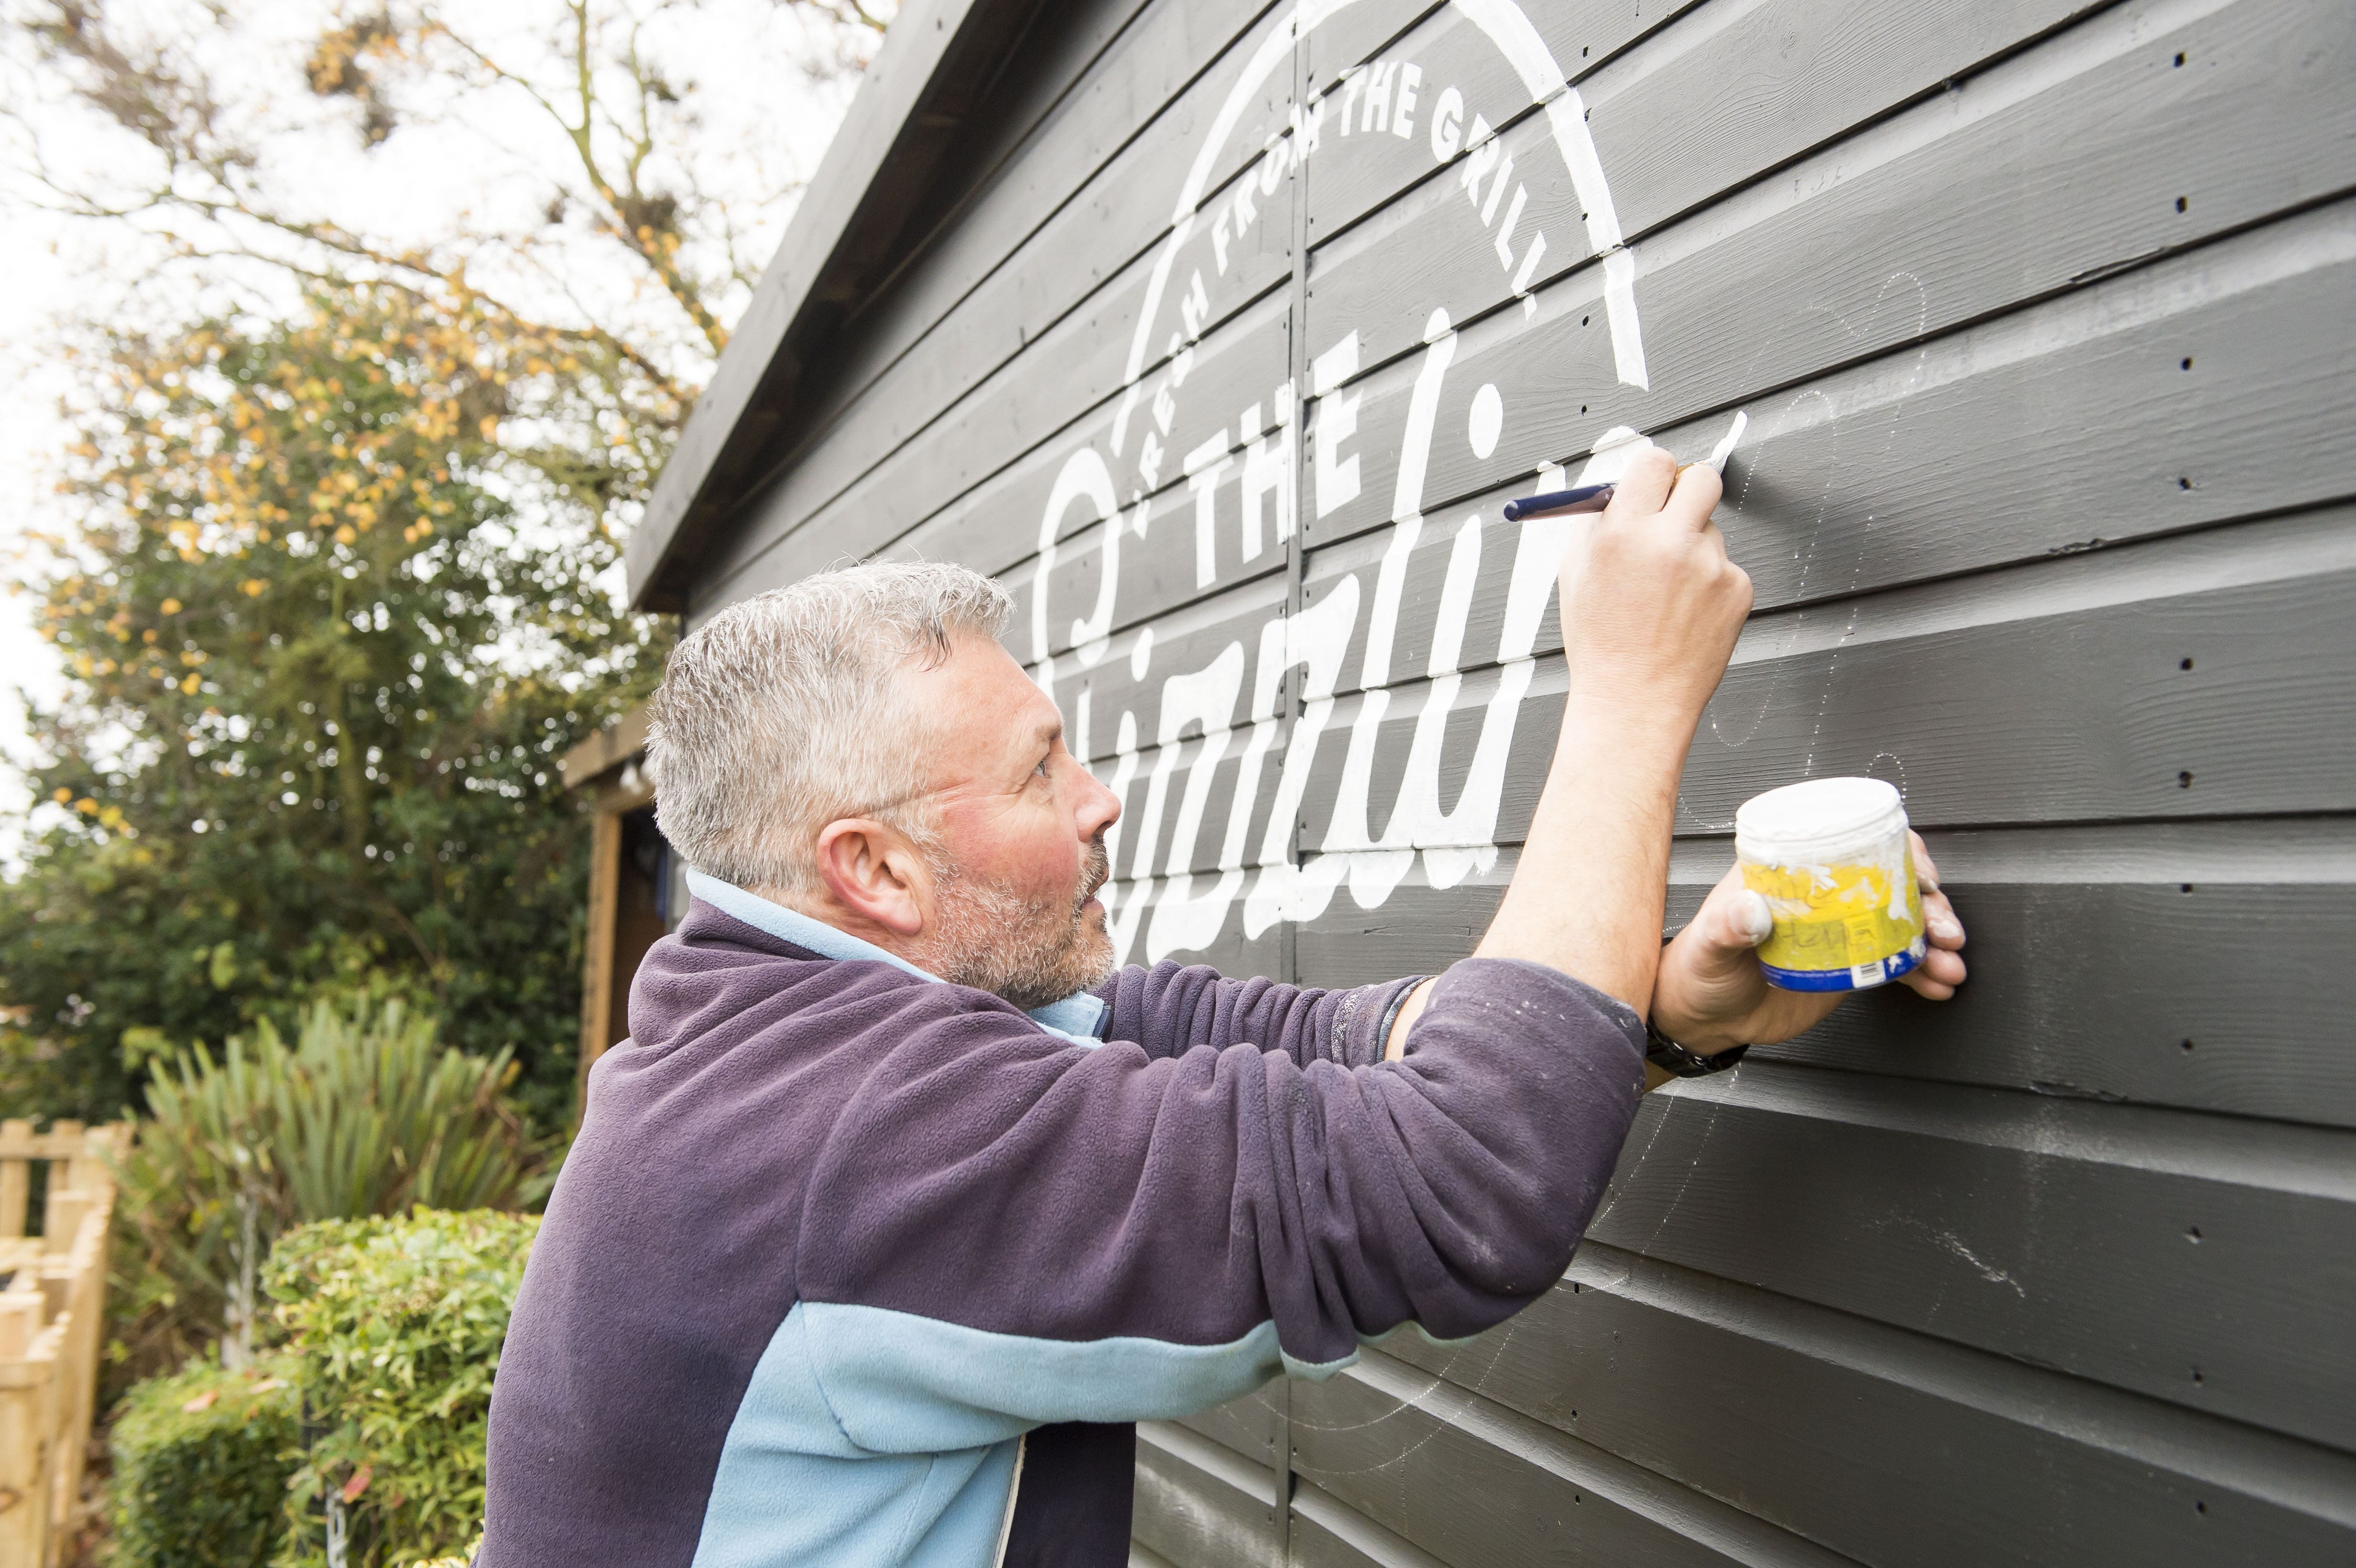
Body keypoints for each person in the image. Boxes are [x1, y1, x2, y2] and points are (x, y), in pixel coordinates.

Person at [478, 446, 1966, 1567]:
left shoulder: (795, 1025)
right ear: (871, 870)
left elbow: (1343, 1059)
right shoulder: (845, 1131)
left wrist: (1666, 1011)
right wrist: (1633, 695)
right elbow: (1457, 1177)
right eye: (1038, 772)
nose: (1100, 799)